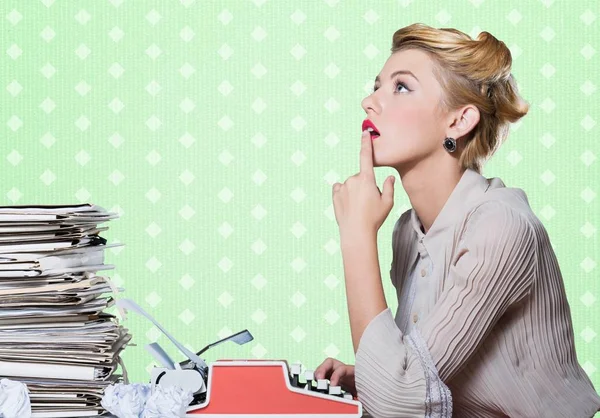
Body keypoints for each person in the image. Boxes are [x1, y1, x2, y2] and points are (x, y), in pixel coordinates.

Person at [314, 23, 600, 417]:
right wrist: (365, 375)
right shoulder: (407, 232)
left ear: (459, 121)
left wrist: (356, 237)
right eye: (376, 85)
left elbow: (399, 404)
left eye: (401, 87)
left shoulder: (502, 225)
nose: (369, 101)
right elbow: (419, 373)